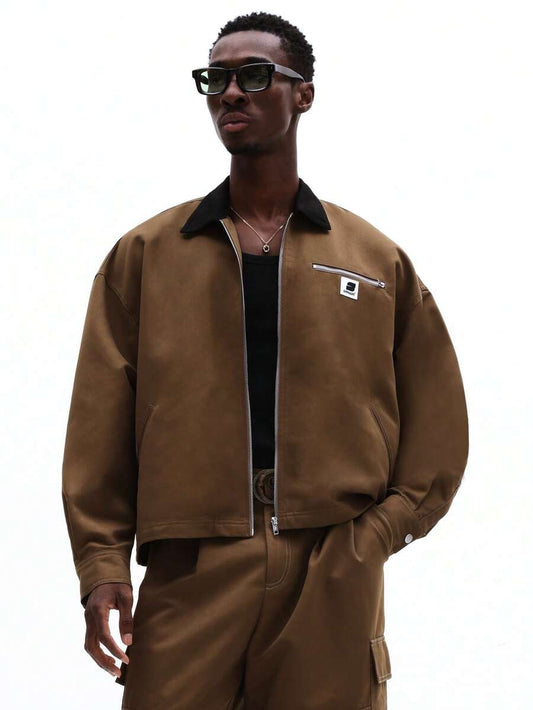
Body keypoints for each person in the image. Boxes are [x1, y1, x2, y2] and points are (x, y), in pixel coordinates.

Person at [61, 11, 469, 709]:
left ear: (302, 93)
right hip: (191, 563)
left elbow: (438, 421)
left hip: (331, 561)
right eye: (215, 79)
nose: (230, 93)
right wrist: (102, 564)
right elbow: (98, 425)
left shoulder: (373, 261)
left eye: (253, 76)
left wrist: (375, 535)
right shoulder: (147, 256)